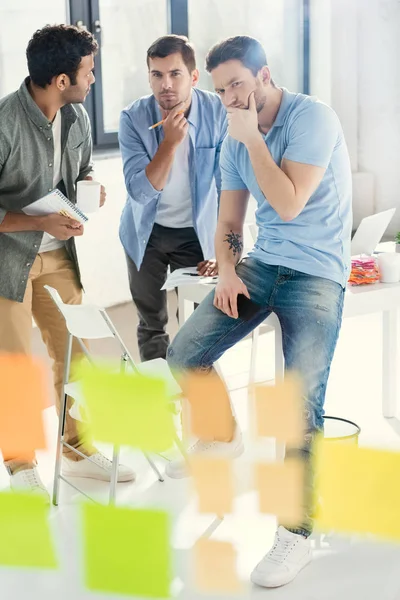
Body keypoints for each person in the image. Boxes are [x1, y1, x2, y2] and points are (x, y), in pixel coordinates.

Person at [166, 36, 352, 588]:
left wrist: (252, 141)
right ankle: (223, 433)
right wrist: (225, 270)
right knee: (183, 353)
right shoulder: (232, 135)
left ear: (264, 76)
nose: (228, 99)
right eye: (220, 90)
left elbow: (291, 202)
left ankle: (294, 534)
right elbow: (230, 221)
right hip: (263, 266)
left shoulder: (312, 118)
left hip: (318, 272)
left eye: (237, 86)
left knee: (297, 408)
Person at [0, 24, 135, 499]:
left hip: (59, 258)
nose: (92, 79)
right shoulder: (4, 123)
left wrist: (87, 190)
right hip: (8, 263)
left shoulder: (76, 118)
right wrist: (40, 224)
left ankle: (76, 446)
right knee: (15, 365)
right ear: (61, 79)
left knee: (75, 354)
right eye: (88, 71)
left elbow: (80, 169)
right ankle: (19, 464)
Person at [119, 35, 227, 362]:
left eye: (175, 74)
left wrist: (223, 248)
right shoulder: (132, 119)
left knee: (199, 322)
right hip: (145, 233)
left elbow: (228, 187)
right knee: (151, 323)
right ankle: (161, 404)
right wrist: (170, 142)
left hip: (194, 233)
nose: (165, 84)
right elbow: (139, 191)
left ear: (193, 77)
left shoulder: (217, 112)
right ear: (149, 76)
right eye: (157, 75)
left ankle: (197, 399)